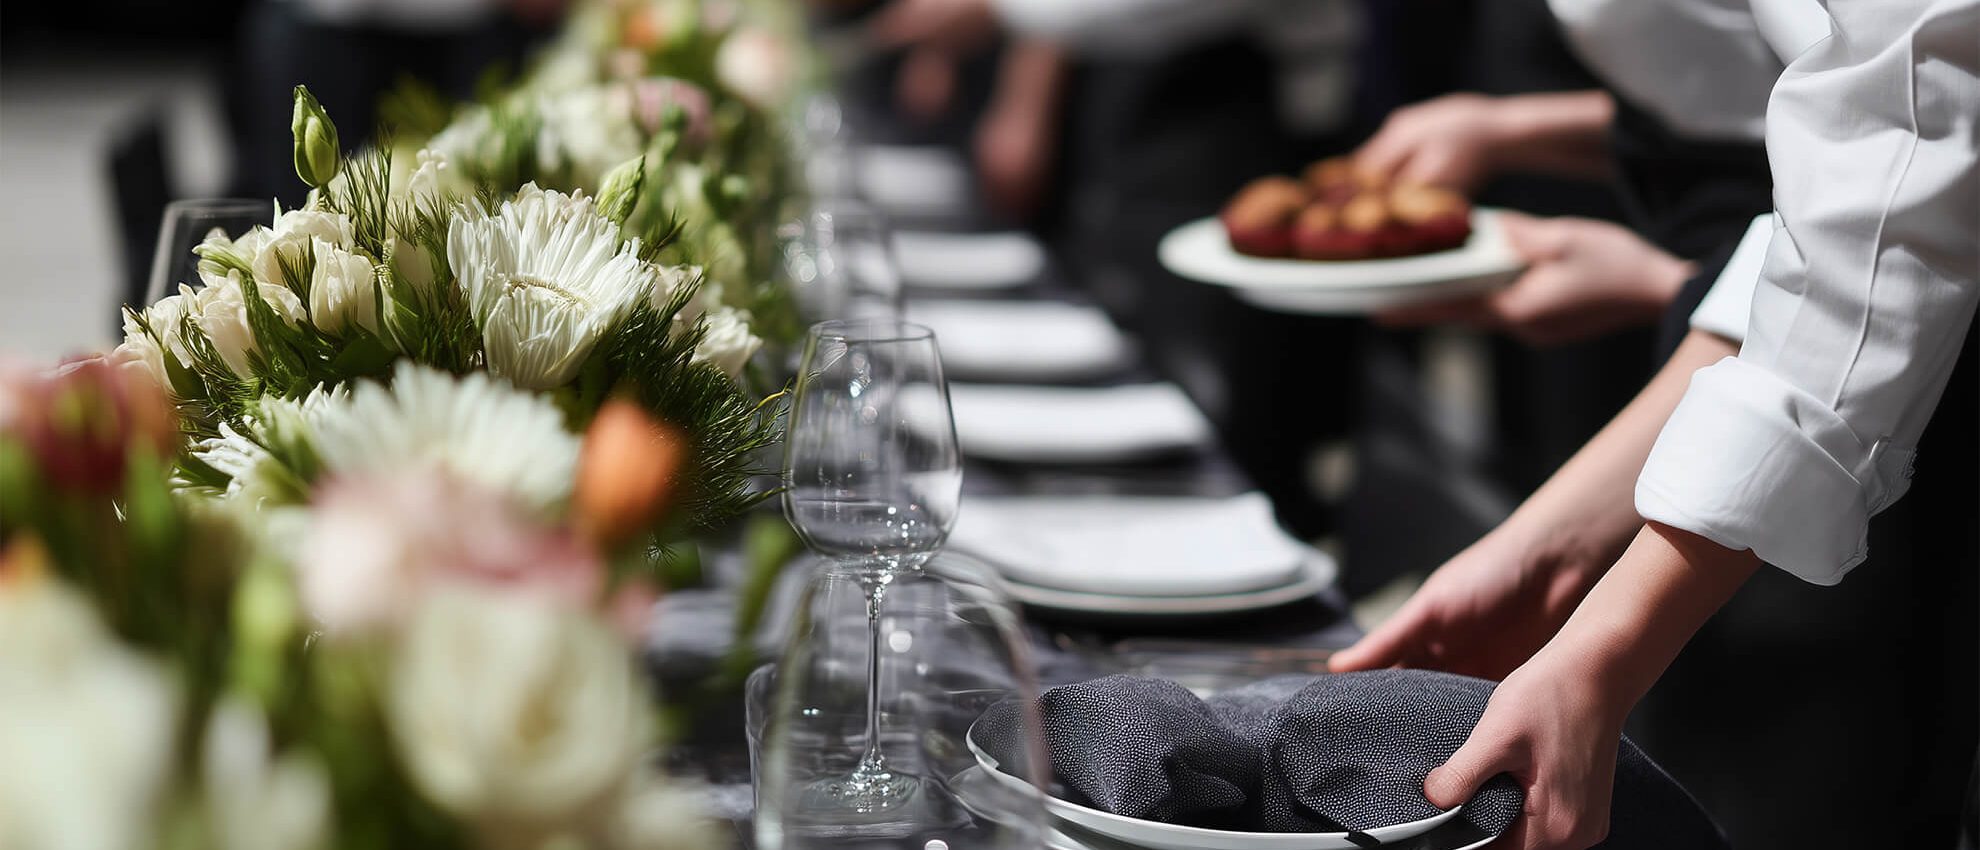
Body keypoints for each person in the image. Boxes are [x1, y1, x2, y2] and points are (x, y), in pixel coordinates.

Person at [1334, 1, 1980, 848]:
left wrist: (1601, 652)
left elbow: (1878, 232)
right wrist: (1550, 548)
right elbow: (1807, 186)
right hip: (1788, 370)